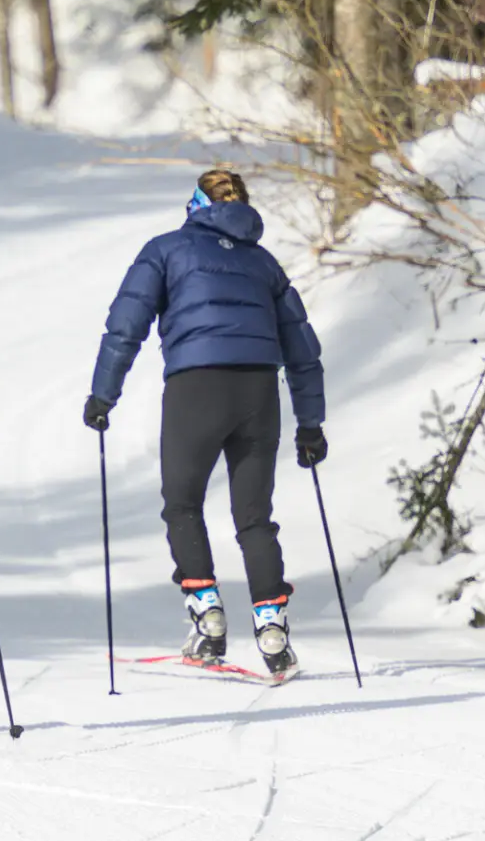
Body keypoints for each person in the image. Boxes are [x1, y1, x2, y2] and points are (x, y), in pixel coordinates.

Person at [81, 169, 326, 677]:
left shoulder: (167, 249)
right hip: (259, 392)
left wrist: (104, 394)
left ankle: (207, 616)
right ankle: (272, 628)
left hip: (197, 389)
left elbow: (126, 324)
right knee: (254, 517)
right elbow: (303, 350)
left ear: (193, 204)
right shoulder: (263, 263)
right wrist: (310, 424)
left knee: (182, 503)